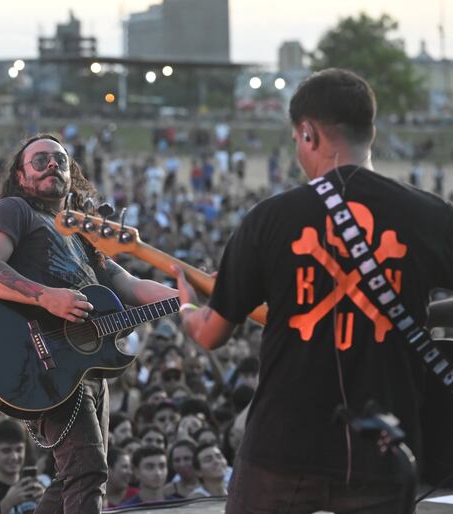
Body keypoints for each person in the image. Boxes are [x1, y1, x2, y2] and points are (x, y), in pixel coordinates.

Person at [173, 68, 453, 513]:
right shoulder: (432, 216)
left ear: (308, 133)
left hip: (282, 451)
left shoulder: (269, 219)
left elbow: (210, 334)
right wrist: (425, 313)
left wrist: (186, 304)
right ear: (371, 130)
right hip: (384, 450)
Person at [0, 133, 176, 514]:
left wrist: (191, 296)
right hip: (43, 357)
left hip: (87, 365)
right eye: (41, 159)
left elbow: (128, 284)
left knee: (74, 477)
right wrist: (46, 296)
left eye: (60, 160)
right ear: (20, 173)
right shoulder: (15, 210)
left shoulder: (80, 232)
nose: (52, 165)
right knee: (88, 471)